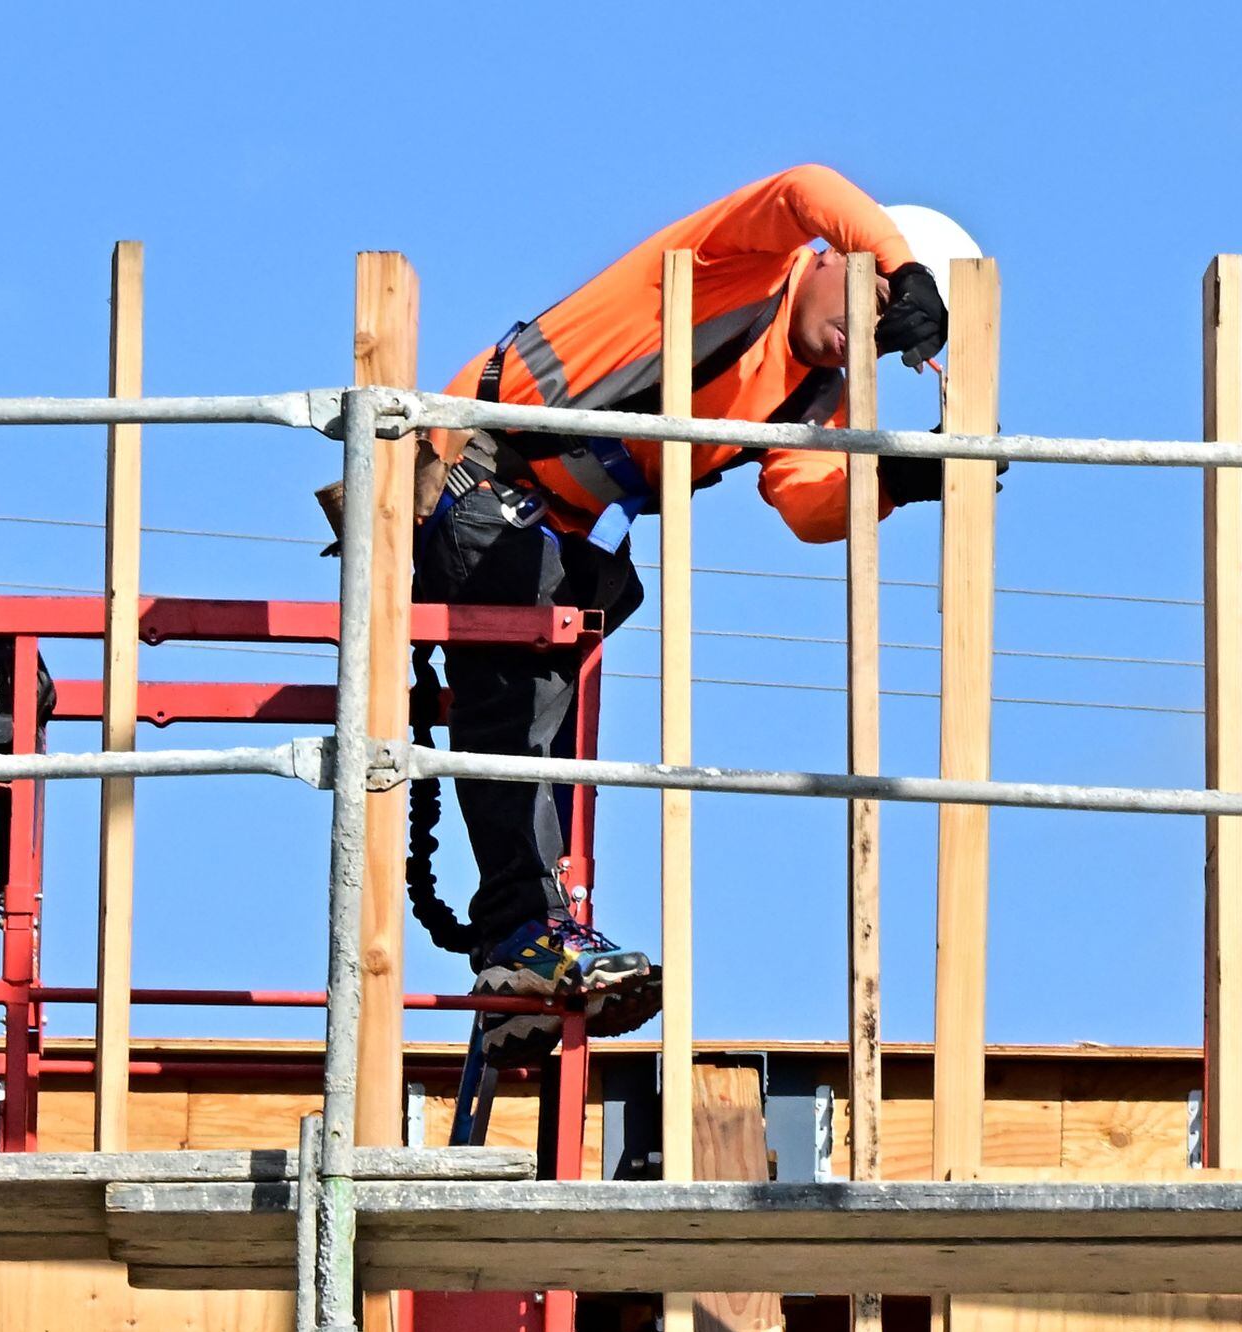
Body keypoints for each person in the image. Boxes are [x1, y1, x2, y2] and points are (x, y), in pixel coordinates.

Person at [412, 165, 978, 1067]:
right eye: (875, 301)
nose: (863, 338)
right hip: (476, 476)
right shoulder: (740, 261)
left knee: (544, 733)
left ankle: (518, 954)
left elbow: (802, 503)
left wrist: (902, 482)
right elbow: (804, 182)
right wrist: (905, 265)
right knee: (513, 710)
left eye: (887, 337)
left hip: (561, 532)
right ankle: (524, 938)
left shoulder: (814, 389)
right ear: (846, 255)